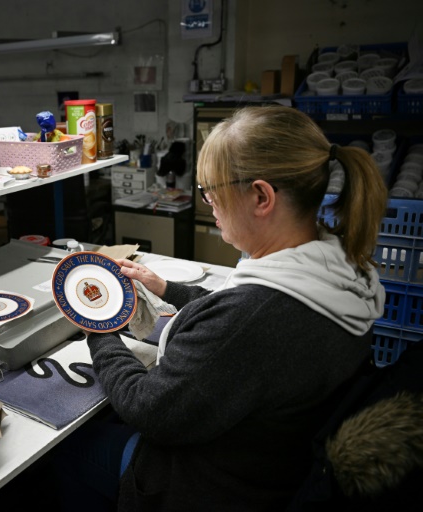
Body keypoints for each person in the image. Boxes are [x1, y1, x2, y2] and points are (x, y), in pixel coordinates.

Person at [54, 105, 388, 511]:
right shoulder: (337, 270)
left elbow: (148, 407)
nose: (209, 202)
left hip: (212, 487)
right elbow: (240, 323)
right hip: (276, 464)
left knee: (64, 449)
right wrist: (166, 289)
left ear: (261, 196)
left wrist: (98, 327)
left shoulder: (254, 316)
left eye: (212, 190)